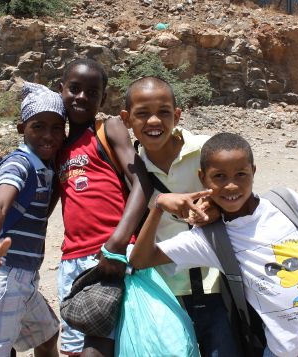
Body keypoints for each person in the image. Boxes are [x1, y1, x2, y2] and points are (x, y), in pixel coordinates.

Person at [130, 132, 298, 357]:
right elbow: (141, 260)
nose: (231, 185)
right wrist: (159, 205)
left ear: (254, 171)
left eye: (241, 174)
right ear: (202, 178)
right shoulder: (210, 238)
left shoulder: (285, 202)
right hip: (288, 350)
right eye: (219, 176)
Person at [119, 77, 239, 356]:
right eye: (141, 113)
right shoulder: (131, 171)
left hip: (218, 284)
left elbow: (241, 197)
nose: (153, 121)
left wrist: (218, 209)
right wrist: (159, 203)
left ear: (177, 114)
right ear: (126, 119)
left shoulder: (206, 150)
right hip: (165, 291)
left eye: (163, 112)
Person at [56, 59, 152, 356]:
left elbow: (143, 184)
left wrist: (118, 242)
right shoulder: (58, 146)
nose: (82, 96)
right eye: (74, 89)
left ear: (103, 98)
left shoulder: (107, 128)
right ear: (61, 90)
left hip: (110, 254)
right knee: (73, 347)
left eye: (92, 91)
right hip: (71, 261)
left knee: (101, 345)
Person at [0, 82, 66, 357]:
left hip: (24, 279)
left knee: (47, 335)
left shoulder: (43, 166)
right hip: (1, 279)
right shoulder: (19, 164)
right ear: (22, 129)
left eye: (57, 128)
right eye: (38, 126)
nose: (49, 135)